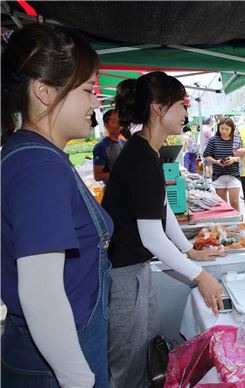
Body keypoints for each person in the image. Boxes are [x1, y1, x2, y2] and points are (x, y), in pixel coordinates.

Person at [1, 24, 111, 387]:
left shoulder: (34, 155)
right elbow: (41, 294)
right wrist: (79, 379)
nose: (95, 103)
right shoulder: (39, 167)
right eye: (87, 90)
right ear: (45, 91)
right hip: (54, 365)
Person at [102, 72, 226, 387]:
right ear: (158, 108)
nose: (186, 112)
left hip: (135, 269)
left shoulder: (147, 151)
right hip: (124, 272)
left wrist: (188, 249)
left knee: (145, 350)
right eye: (181, 105)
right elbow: (151, 236)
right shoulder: (141, 157)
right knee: (128, 362)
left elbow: (163, 208)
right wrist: (200, 276)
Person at [203, 117, 241, 211]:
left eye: (227, 129)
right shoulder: (213, 140)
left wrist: (234, 159)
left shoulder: (236, 140)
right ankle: (227, 224)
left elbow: (244, 156)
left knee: (235, 202)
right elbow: (206, 155)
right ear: (218, 128)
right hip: (218, 176)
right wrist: (216, 162)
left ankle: (237, 223)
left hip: (233, 175)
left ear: (232, 129)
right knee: (223, 205)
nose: (224, 131)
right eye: (222, 128)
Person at [93, 109, 125, 185]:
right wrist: (122, 174)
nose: (119, 124)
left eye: (120, 121)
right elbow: (97, 176)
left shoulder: (124, 143)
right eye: (114, 121)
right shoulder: (101, 147)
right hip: (113, 192)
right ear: (106, 125)